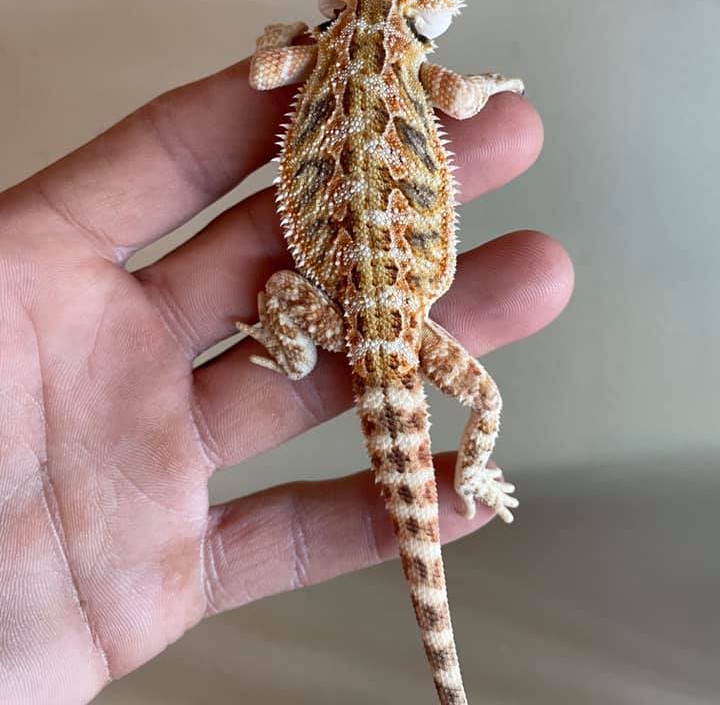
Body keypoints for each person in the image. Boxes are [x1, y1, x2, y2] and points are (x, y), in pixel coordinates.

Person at [0, 52, 573, 703]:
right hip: (392, 317)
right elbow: (465, 101)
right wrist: (490, 85)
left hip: (350, 315)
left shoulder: (321, 51)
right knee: (486, 402)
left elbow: (271, 67)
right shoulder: (398, 60)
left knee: (285, 296)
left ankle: (304, 363)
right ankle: (470, 476)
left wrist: (287, 40)